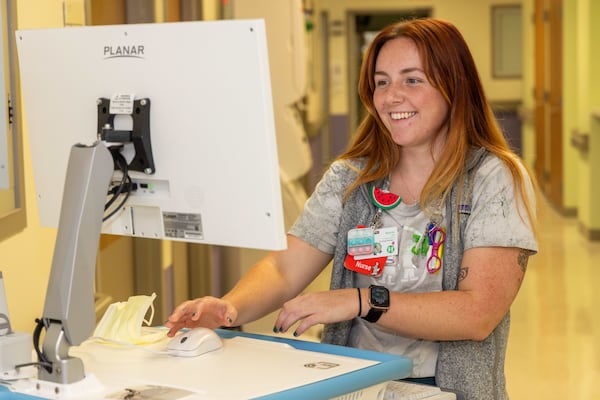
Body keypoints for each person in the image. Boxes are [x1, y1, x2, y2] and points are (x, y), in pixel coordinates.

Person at [166, 18, 538, 400]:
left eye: (412, 80)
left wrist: (360, 301)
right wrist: (229, 308)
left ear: (454, 87)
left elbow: (477, 314)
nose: (392, 97)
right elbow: (284, 266)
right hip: (356, 384)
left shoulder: (492, 179)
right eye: (381, 82)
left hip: (446, 389)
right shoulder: (352, 178)